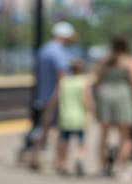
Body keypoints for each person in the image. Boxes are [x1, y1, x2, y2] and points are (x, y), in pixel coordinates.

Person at [22, 21, 76, 171]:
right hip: (57, 97)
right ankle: (60, 162)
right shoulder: (59, 52)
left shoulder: (44, 50)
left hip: (43, 96)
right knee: (62, 130)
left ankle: (34, 156)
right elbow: (62, 77)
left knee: (43, 128)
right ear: (64, 36)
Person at [93, 36, 132, 181]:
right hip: (123, 96)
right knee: (126, 136)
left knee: (103, 135)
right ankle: (121, 168)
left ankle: (102, 168)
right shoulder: (130, 61)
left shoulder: (104, 60)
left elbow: (97, 80)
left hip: (105, 95)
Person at [46, 58, 93, 176]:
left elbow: (54, 99)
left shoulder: (63, 82)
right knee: (81, 141)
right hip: (79, 117)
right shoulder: (84, 82)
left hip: (65, 117)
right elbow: (88, 101)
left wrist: (49, 112)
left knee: (64, 141)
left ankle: (63, 164)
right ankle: (79, 159)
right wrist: (91, 112)